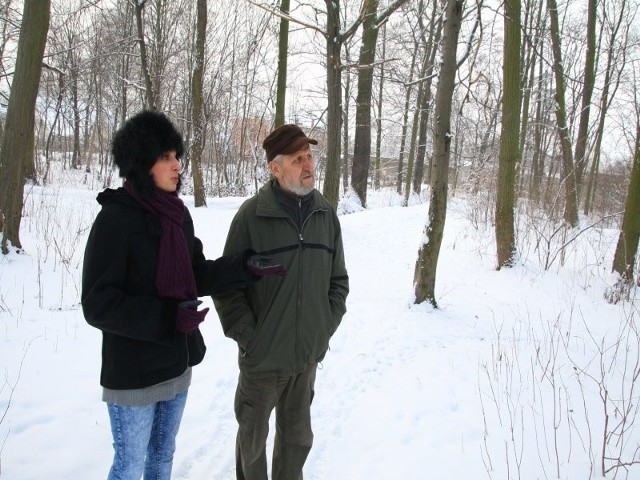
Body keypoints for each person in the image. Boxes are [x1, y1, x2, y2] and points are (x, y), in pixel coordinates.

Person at [81, 110, 284, 480]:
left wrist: (245, 266)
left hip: (176, 363)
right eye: (165, 157)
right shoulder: (115, 219)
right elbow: (98, 304)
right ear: (142, 164)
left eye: (177, 156)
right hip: (133, 371)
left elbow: (195, 273)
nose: (177, 165)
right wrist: (167, 318)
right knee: (129, 467)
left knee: (161, 459)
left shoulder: (176, 215)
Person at [213, 123, 350, 480]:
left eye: (309, 157)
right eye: (297, 159)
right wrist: (250, 338)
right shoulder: (252, 216)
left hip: (305, 360)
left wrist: (320, 331)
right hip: (262, 362)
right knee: (252, 443)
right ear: (275, 168)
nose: (308, 166)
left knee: (296, 442)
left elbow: (338, 283)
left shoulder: (325, 216)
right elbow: (227, 285)